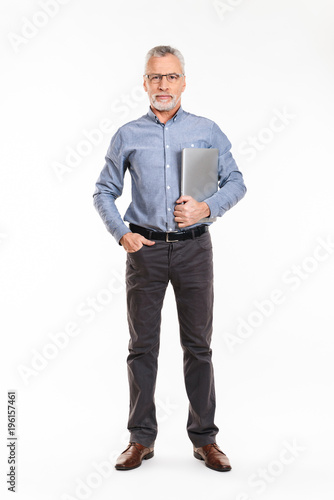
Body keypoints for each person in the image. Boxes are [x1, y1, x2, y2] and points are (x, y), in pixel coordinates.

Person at [93, 45, 246, 472]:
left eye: (171, 76)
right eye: (155, 77)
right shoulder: (127, 134)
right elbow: (104, 190)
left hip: (195, 248)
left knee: (198, 346)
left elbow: (236, 181)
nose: (164, 85)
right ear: (144, 82)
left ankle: (205, 439)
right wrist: (122, 233)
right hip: (145, 250)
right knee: (142, 347)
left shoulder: (206, 129)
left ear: (184, 81)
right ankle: (140, 439)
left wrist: (207, 208)